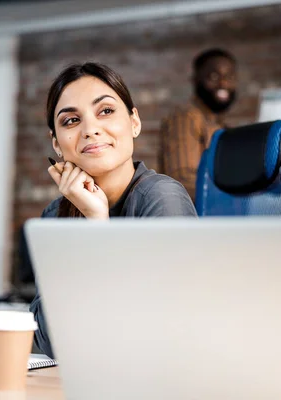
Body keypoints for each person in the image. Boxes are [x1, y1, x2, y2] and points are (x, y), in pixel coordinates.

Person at [29, 62, 197, 357]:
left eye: (105, 111)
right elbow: (47, 343)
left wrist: (97, 223)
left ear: (134, 122)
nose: (91, 130)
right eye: (71, 121)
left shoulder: (160, 197)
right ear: (56, 144)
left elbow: (161, 333)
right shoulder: (57, 213)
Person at [159, 48, 238, 202]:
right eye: (214, 76)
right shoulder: (185, 118)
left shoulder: (221, 125)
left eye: (229, 77)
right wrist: (239, 197)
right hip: (193, 222)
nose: (223, 83)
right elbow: (182, 180)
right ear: (196, 80)